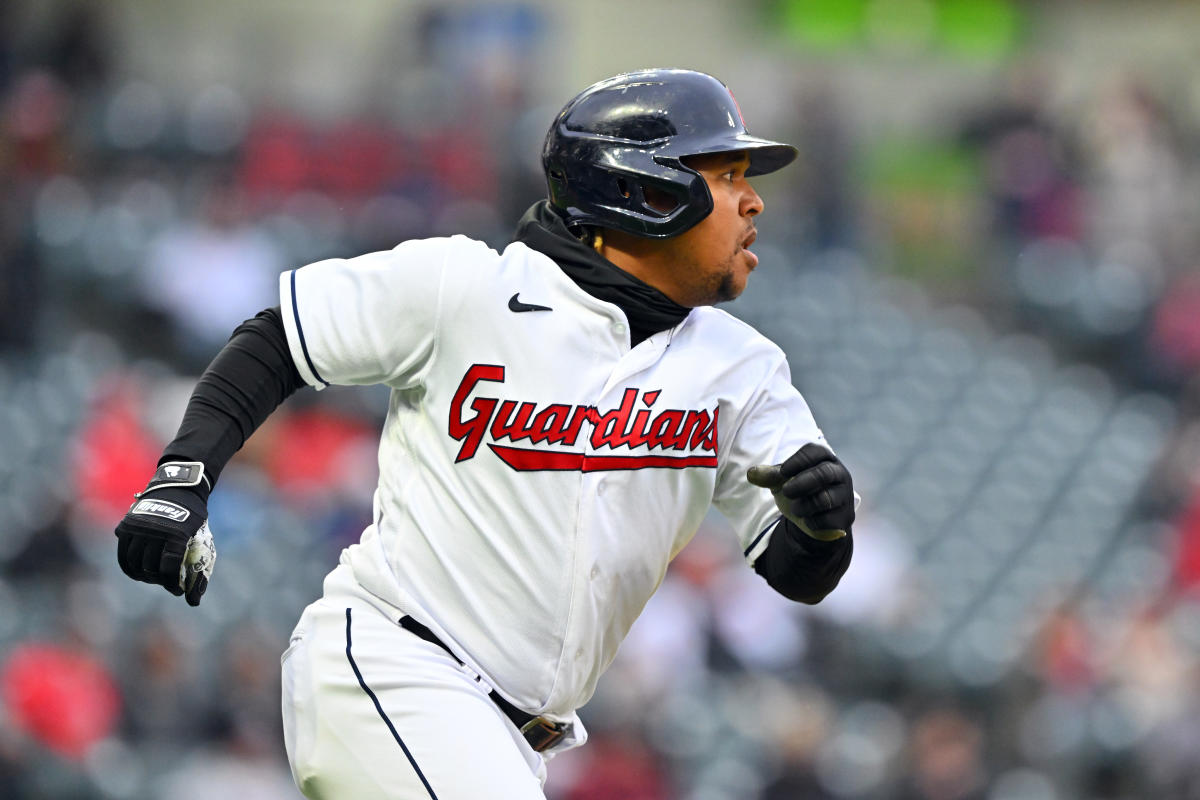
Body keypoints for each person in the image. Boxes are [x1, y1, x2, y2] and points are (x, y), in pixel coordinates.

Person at [113, 68, 857, 799]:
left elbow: (798, 571)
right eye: (727, 176)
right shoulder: (469, 289)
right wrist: (183, 478)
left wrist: (822, 527)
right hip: (392, 669)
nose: (755, 201)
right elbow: (281, 338)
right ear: (647, 190)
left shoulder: (745, 370)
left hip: (512, 740)